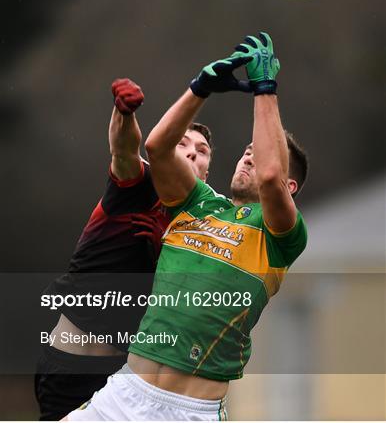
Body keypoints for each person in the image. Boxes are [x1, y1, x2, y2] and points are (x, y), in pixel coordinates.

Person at [64, 32, 308, 422]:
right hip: (125, 393)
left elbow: (271, 175)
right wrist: (200, 88)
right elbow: (158, 146)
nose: (249, 158)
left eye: (256, 153)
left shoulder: (280, 235)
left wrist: (265, 90)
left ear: (289, 189)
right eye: (246, 152)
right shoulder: (199, 203)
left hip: (188, 412)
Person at [35, 78, 213, 420]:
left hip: (127, 379)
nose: (192, 151)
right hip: (71, 366)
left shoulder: (202, 223)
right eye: (181, 143)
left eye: (202, 150)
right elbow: (124, 151)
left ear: (207, 171)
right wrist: (124, 112)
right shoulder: (141, 182)